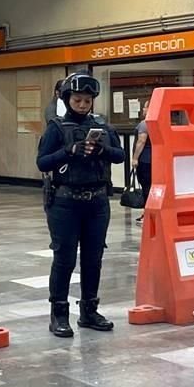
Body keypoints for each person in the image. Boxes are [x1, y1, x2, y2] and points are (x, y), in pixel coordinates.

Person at [37, 71, 125, 338]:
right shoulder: (56, 128)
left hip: (97, 202)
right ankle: (59, 313)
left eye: (87, 101)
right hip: (65, 203)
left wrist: (102, 151)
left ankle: (89, 310)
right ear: (67, 99)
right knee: (64, 259)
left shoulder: (104, 127)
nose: (83, 105)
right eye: (77, 100)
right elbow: (42, 162)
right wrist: (69, 152)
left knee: (93, 259)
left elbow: (119, 156)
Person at [131, 100, 152, 224]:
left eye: (145, 107)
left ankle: (147, 213)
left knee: (146, 187)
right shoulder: (161, 122)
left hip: (145, 160)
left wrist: (135, 158)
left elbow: (141, 141)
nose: (143, 110)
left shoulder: (144, 124)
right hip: (156, 160)